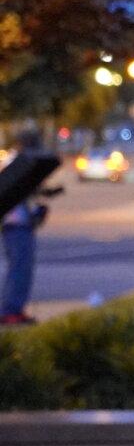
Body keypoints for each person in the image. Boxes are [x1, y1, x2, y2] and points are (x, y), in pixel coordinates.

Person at [1, 130, 51, 326]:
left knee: (23, 268)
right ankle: (10, 310)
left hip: (21, 223)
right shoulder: (17, 164)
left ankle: (15, 308)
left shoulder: (19, 162)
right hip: (15, 224)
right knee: (19, 268)